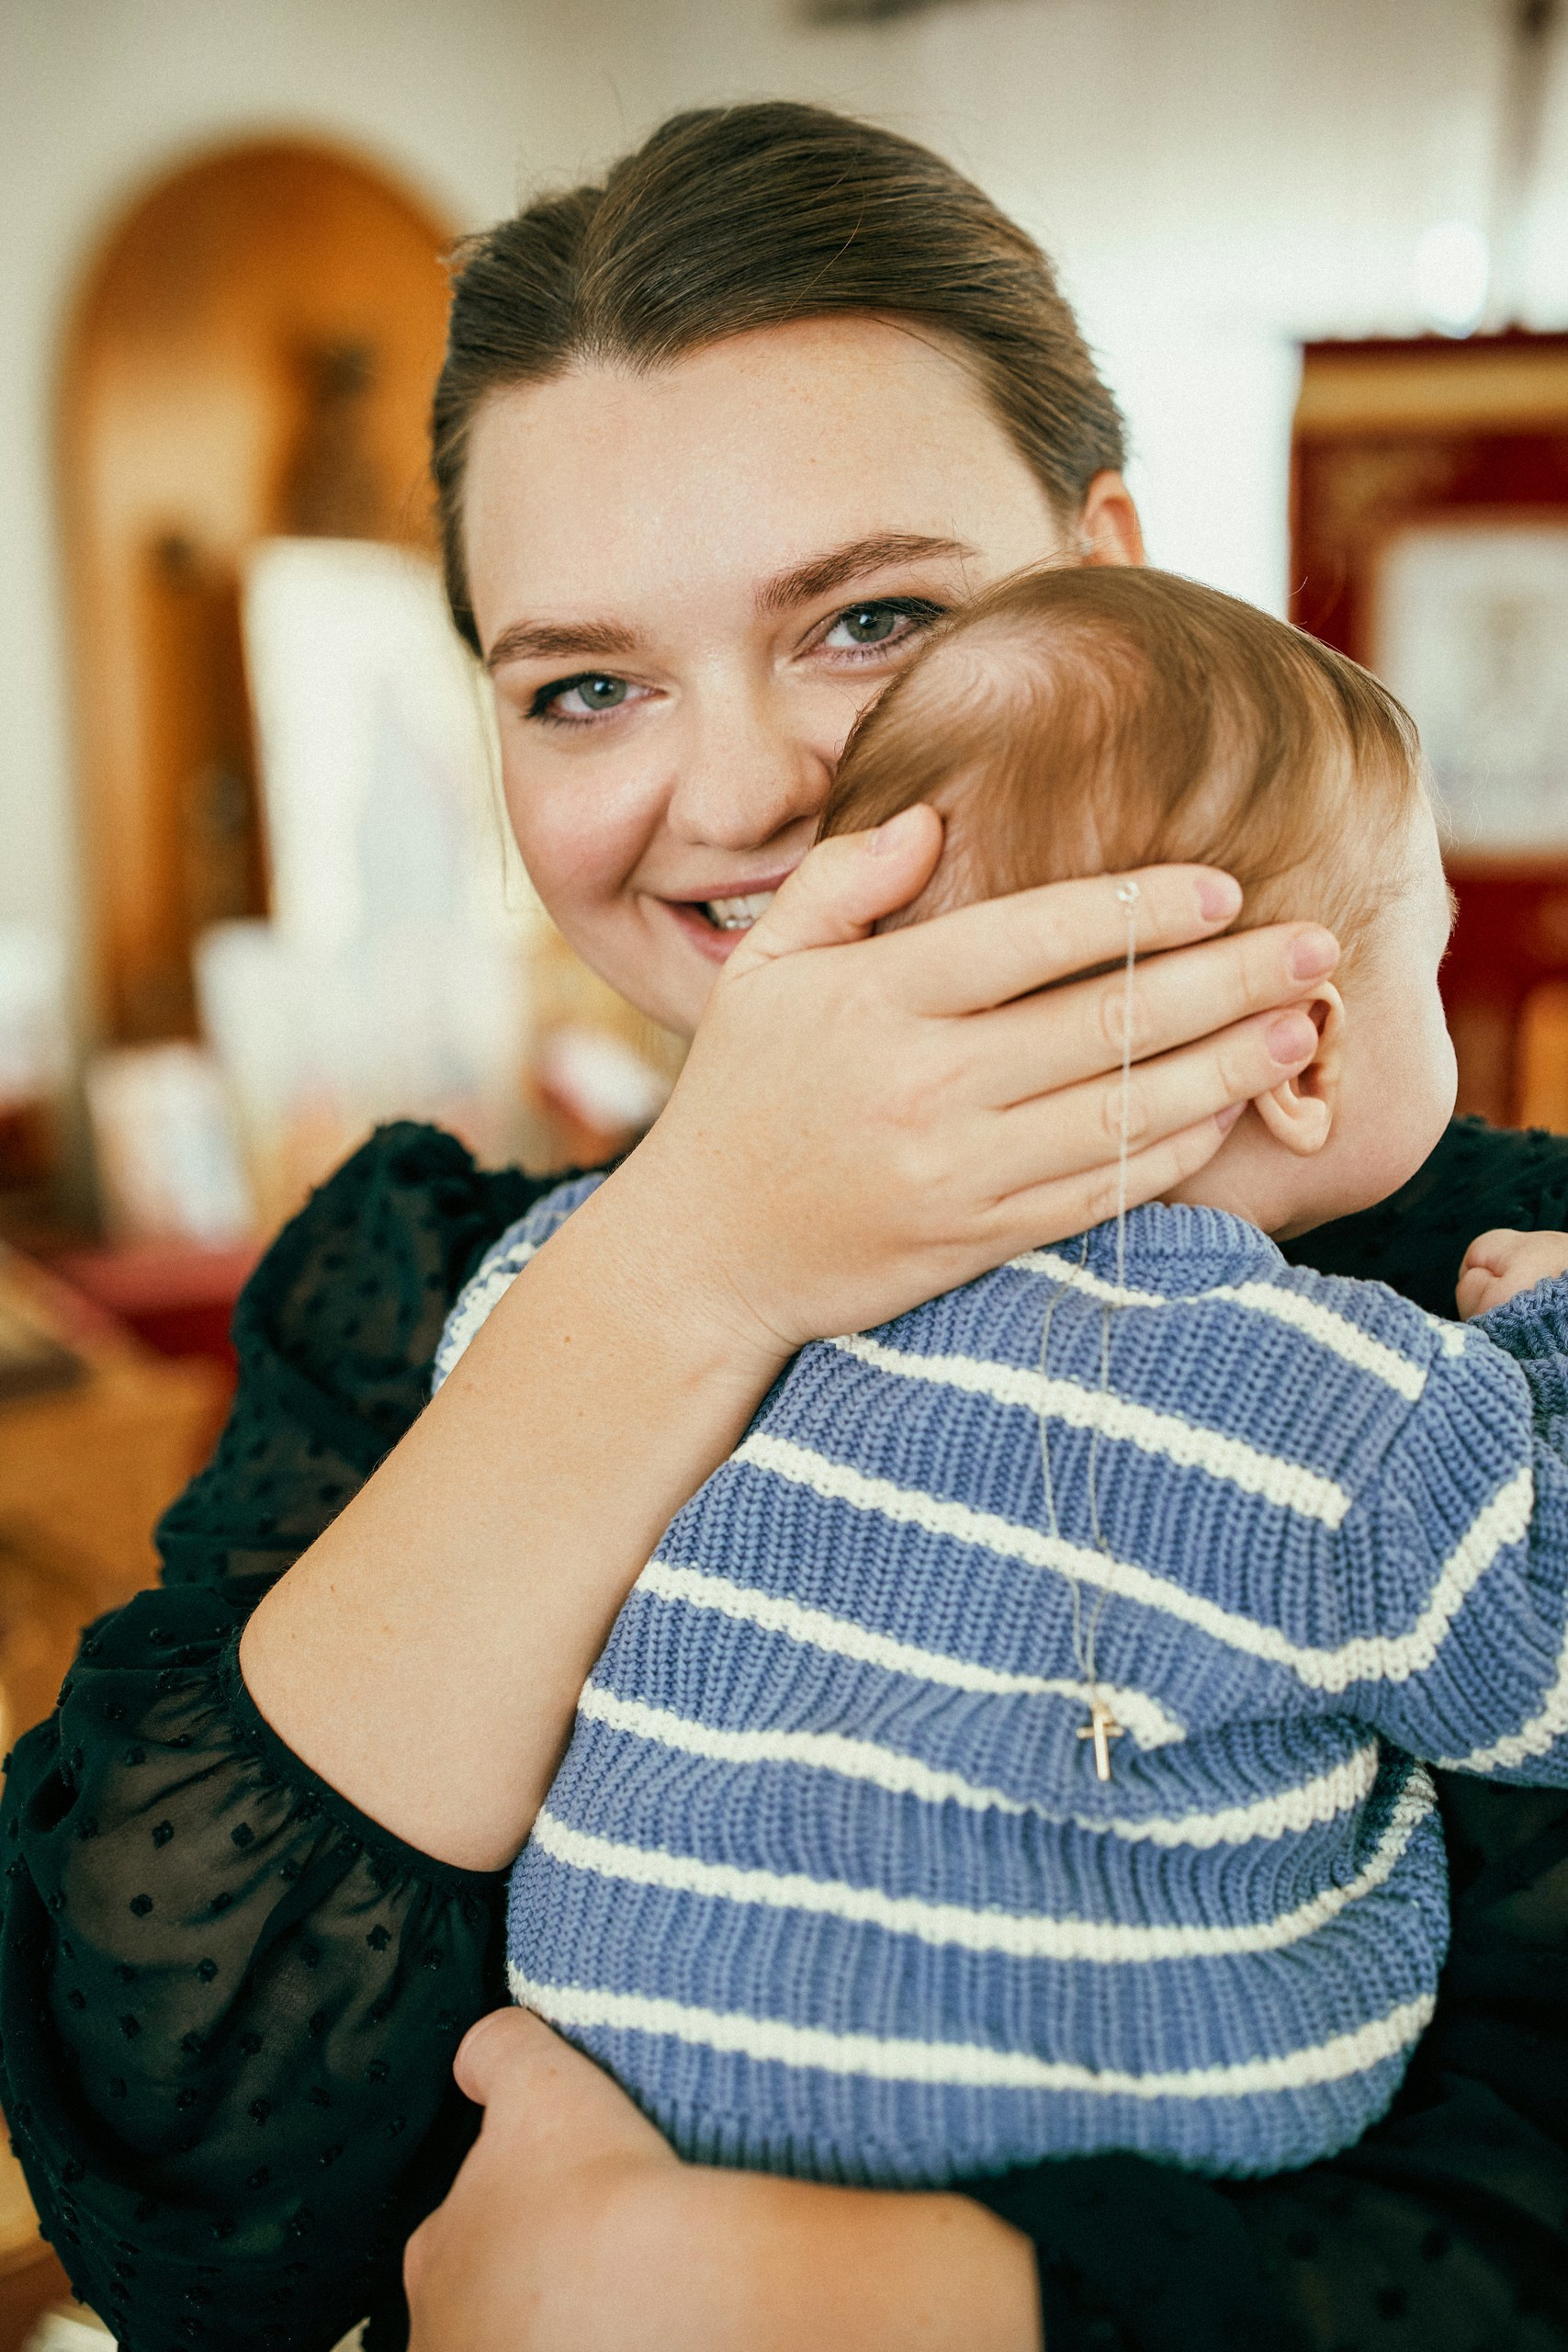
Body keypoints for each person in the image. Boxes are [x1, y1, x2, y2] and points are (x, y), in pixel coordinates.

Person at [0, 101, 1563, 2352]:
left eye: (869, 618)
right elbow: (185, 2200)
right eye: (585, 684)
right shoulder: (428, 1290)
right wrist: (693, 1261)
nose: (731, 797)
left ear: (1119, 569)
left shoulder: (1478, 1320)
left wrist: (790, 2294)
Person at [437, 564, 1567, 2191]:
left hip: (632, 2102)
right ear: (1307, 1051)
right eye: (1432, 964)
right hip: (1106, 2165)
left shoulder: (589, 1256)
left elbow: (495, 1369)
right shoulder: (1342, 1408)